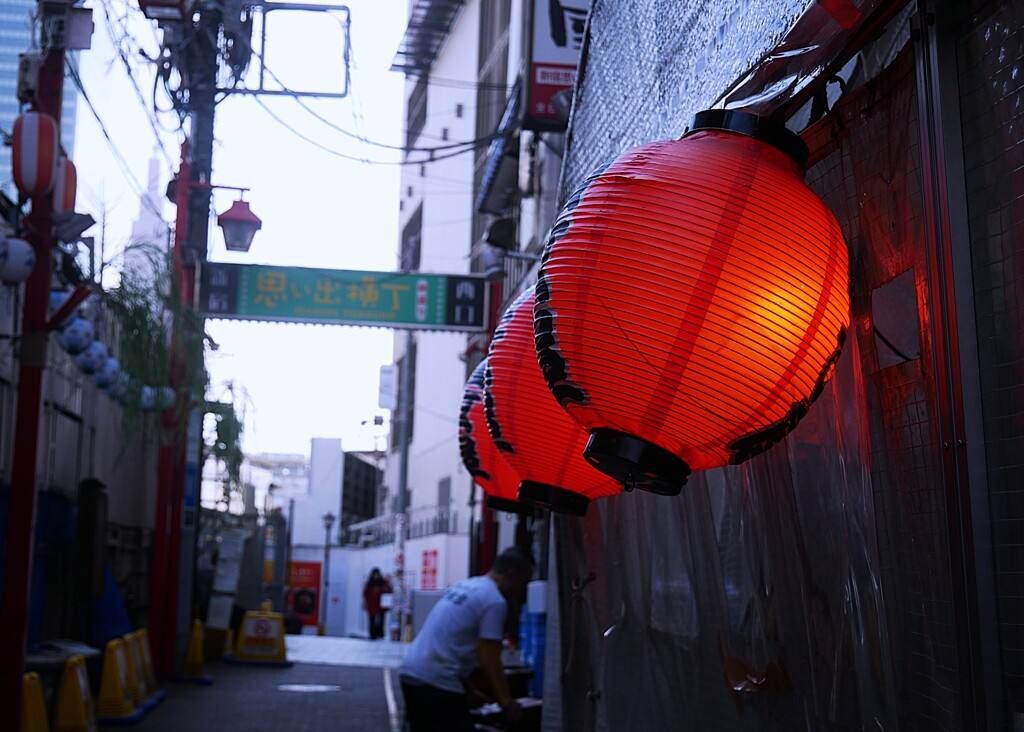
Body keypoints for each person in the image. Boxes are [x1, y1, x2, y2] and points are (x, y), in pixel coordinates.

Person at [399, 546, 535, 732]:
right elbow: (489, 657)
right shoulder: (494, 601)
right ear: (512, 575)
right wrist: (506, 702)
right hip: (437, 681)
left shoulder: (468, 585)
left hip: (412, 671)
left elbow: (449, 646)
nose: (523, 590)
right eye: (524, 581)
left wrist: (469, 691)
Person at [362, 568, 393, 640]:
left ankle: (380, 634)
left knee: (381, 620)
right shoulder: (369, 584)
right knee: (372, 620)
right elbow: (365, 593)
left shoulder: (383, 583)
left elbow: (389, 590)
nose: (376, 576)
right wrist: (367, 601)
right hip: (371, 605)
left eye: (377, 575)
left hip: (381, 605)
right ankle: (372, 635)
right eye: (374, 575)